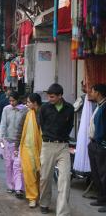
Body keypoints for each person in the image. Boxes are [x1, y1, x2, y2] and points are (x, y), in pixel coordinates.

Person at [39, 83, 74, 215]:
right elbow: (41, 124)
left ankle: (62, 212)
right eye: (49, 96)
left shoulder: (69, 108)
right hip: (47, 146)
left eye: (52, 97)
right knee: (45, 178)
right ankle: (44, 203)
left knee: (64, 179)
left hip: (63, 147)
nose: (50, 99)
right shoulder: (44, 108)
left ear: (60, 96)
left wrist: (62, 137)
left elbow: (70, 125)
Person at [0, 91, 27, 199]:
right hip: (7, 141)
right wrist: (0, 139)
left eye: (13, 100)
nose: (11, 103)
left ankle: (19, 188)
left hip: (18, 142)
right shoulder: (6, 109)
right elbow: (3, 124)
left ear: (18, 99)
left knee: (18, 165)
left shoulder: (24, 110)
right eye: (10, 100)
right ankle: (10, 186)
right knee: (8, 164)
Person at [18, 93, 42, 208]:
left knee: (41, 175)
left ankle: (40, 196)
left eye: (28, 102)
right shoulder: (26, 114)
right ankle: (32, 197)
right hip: (27, 147)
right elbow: (20, 130)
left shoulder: (44, 114)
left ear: (35, 103)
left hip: (42, 148)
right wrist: (18, 145)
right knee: (28, 172)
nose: (26, 104)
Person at [87, 84, 106, 213]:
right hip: (94, 144)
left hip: (101, 145)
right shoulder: (99, 106)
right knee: (96, 173)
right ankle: (101, 198)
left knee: (104, 174)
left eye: (92, 91)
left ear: (98, 93)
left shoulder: (105, 107)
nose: (90, 93)